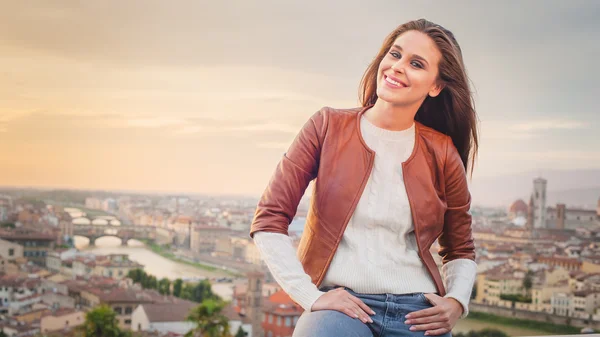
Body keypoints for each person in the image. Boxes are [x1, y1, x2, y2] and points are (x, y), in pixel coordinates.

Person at [249, 18, 478, 337]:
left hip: (418, 313)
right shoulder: (327, 126)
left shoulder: (442, 151)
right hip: (342, 307)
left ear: (436, 85)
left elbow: (460, 248)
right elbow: (269, 219)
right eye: (394, 54)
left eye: (415, 63)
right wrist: (311, 297)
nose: (397, 67)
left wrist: (455, 302)